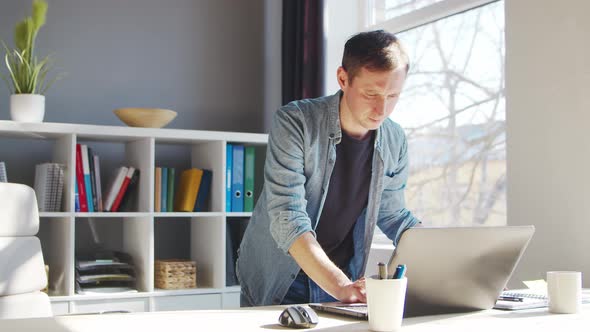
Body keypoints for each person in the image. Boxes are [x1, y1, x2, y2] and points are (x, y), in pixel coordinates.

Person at [236, 30, 420, 306]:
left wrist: (441, 251)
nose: (382, 108)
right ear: (343, 79)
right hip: (281, 277)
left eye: (393, 95)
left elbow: (391, 213)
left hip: (343, 274)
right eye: (371, 93)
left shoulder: (394, 139)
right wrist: (341, 285)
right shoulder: (295, 121)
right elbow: (287, 215)